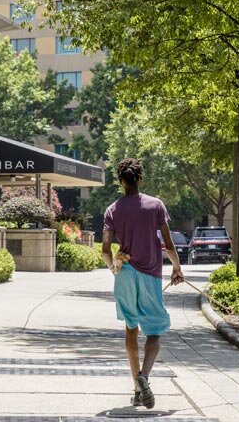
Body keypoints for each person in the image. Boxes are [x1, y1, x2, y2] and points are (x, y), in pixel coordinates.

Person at [101, 158, 184, 409]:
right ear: (140, 178)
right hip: (150, 275)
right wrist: (178, 269)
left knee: (130, 329)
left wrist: (115, 267)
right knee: (155, 331)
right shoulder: (156, 205)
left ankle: (137, 388)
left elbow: (106, 250)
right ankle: (144, 377)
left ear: (120, 182)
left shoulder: (112, 210)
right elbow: (168, 245)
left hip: (125, 274)